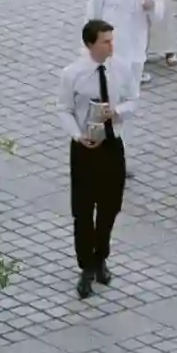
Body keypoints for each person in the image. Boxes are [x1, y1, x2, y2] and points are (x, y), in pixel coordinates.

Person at [62, 15, 128, 297]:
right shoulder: (73, 74)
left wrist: (119, 111)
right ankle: (86, 265)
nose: (111, 46)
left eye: (112, 40)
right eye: (105, 41)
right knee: (83, 209)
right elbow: (63, 108)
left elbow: (134, 99)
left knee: (110, 206)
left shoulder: (120, 69)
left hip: (113, 145)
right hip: (85, 149)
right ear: (90, 44)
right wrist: (78, 135)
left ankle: (101, 256)